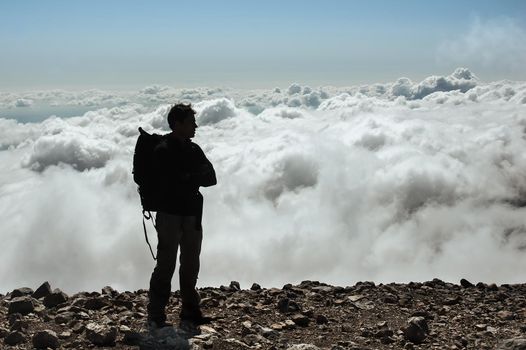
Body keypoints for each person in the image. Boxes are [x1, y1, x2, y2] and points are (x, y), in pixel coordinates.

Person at [147, 103, 217, 330]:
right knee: (166, 264)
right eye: (191, 122)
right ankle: (156, 313)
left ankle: (189, 310)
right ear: (177, 124)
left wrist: (187, 176)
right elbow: (172, 182)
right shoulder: (163, 149)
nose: (195, 126)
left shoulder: (193, 149)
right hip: (171, 215)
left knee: (190, 264)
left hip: (190, 215)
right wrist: (191, 176)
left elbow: (211, 178)